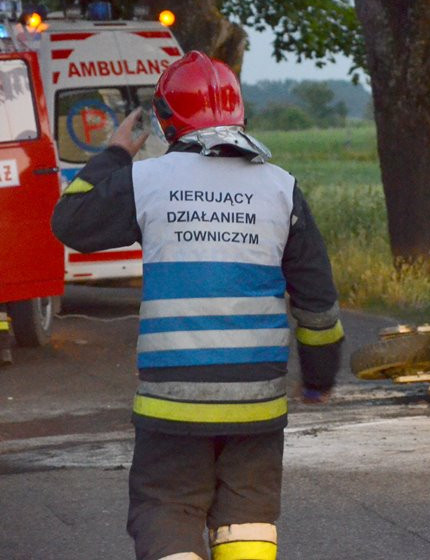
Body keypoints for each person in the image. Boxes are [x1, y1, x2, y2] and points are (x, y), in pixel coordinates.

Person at [51, 51, 344, 560]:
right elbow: (318, 306)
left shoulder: (147, 181)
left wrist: (116, 154)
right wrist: (318, 380)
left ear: (166, 120)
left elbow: (70, 221)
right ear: (240, 114)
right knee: (247, 517)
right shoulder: (281, 189)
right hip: (256, 402)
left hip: (172, 405)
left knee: (166, 509)